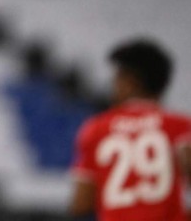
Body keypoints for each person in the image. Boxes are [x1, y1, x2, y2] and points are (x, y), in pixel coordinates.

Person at [70, 38, 191, 221]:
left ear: (130, 81)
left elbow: (81, 204)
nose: (113, 85)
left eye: (117, 78)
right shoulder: (180, 127)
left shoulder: (96, 129)